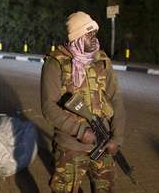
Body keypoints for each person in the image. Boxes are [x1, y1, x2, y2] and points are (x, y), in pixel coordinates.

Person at [41, 11, 126, 193]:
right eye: (88, 34)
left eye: (94, 33)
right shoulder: (55, 63)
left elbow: (116, 99)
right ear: (77, 37)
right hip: (70, 147)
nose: (94, 38)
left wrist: (117, 138)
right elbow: (49, 107)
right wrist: (80, 131)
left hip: (103, 143)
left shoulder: (102, 61)